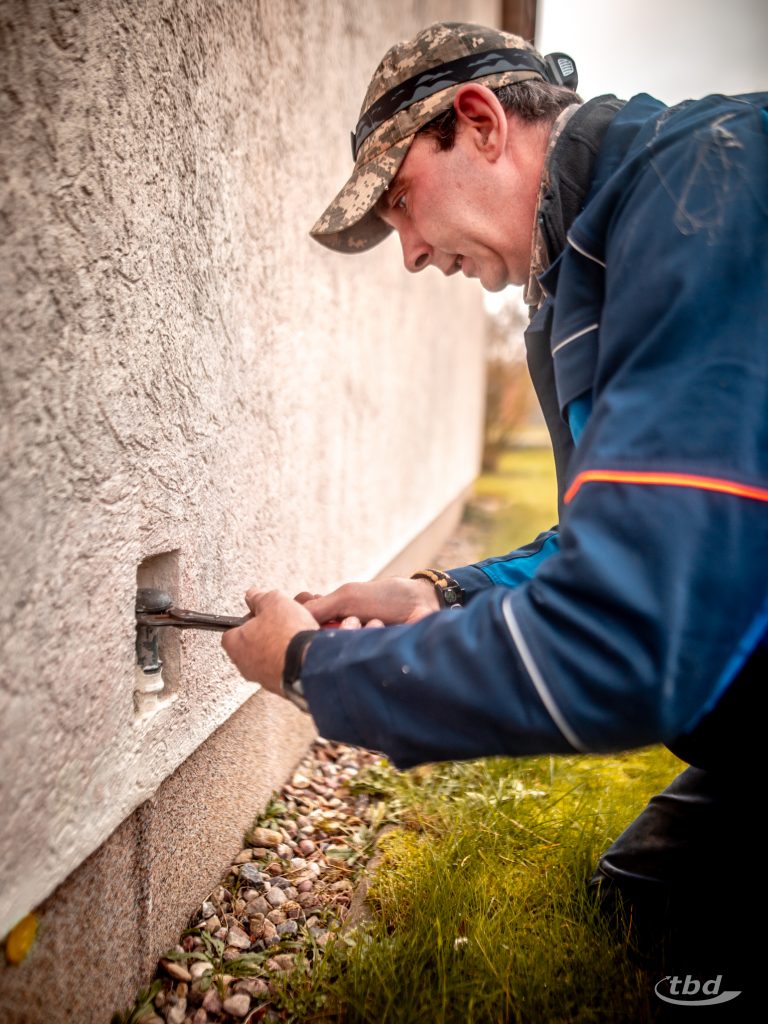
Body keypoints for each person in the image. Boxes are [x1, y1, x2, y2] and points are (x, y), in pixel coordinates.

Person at [223, 21, 767, 992]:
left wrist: (314, 665)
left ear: (478, 122)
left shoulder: (698, 190)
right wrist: (442, 592)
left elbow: (627, 639)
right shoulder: (580, 280)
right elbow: (623, 540)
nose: (410, 256)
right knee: (642, 892)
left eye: (399, 204)